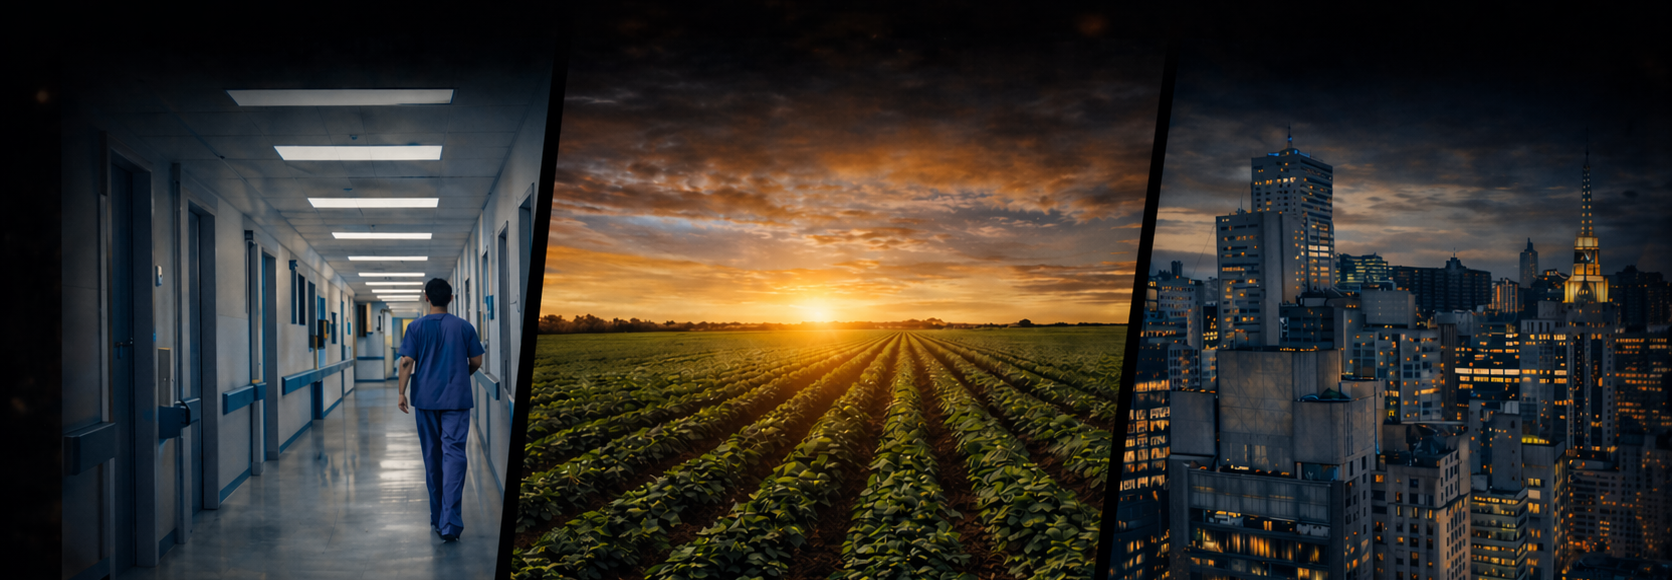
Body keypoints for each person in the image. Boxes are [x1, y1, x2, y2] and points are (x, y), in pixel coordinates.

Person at [396, 278, 485, 542]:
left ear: (426, 298)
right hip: (457, 401)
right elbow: (477, 360)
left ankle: (437, 518)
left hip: (425, 400)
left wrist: (401, 392)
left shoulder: (415, 327)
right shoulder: (464, 327)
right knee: (454, 455)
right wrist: (460, 375)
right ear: (451, 298)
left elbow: (406, 361)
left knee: (432, 459)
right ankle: (450, 522)